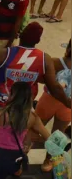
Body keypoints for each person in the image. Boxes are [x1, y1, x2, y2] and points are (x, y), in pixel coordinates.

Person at [0, 22, 70, 174]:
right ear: (38, 41)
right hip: (23, 109)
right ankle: (17, 166)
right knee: (22, 138)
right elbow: (55, 87)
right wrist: (67, 103)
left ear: (21, 36)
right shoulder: (43, 58)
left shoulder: (5, 53)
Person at [34, 40, 71, 171]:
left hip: (52, 102)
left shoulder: (55, 62)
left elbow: (40, 78)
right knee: (56, 133)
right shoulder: (56, 63)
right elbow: (40, 77)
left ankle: (23, 155)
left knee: (34, 128)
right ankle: (47, 160)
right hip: (62, 104)